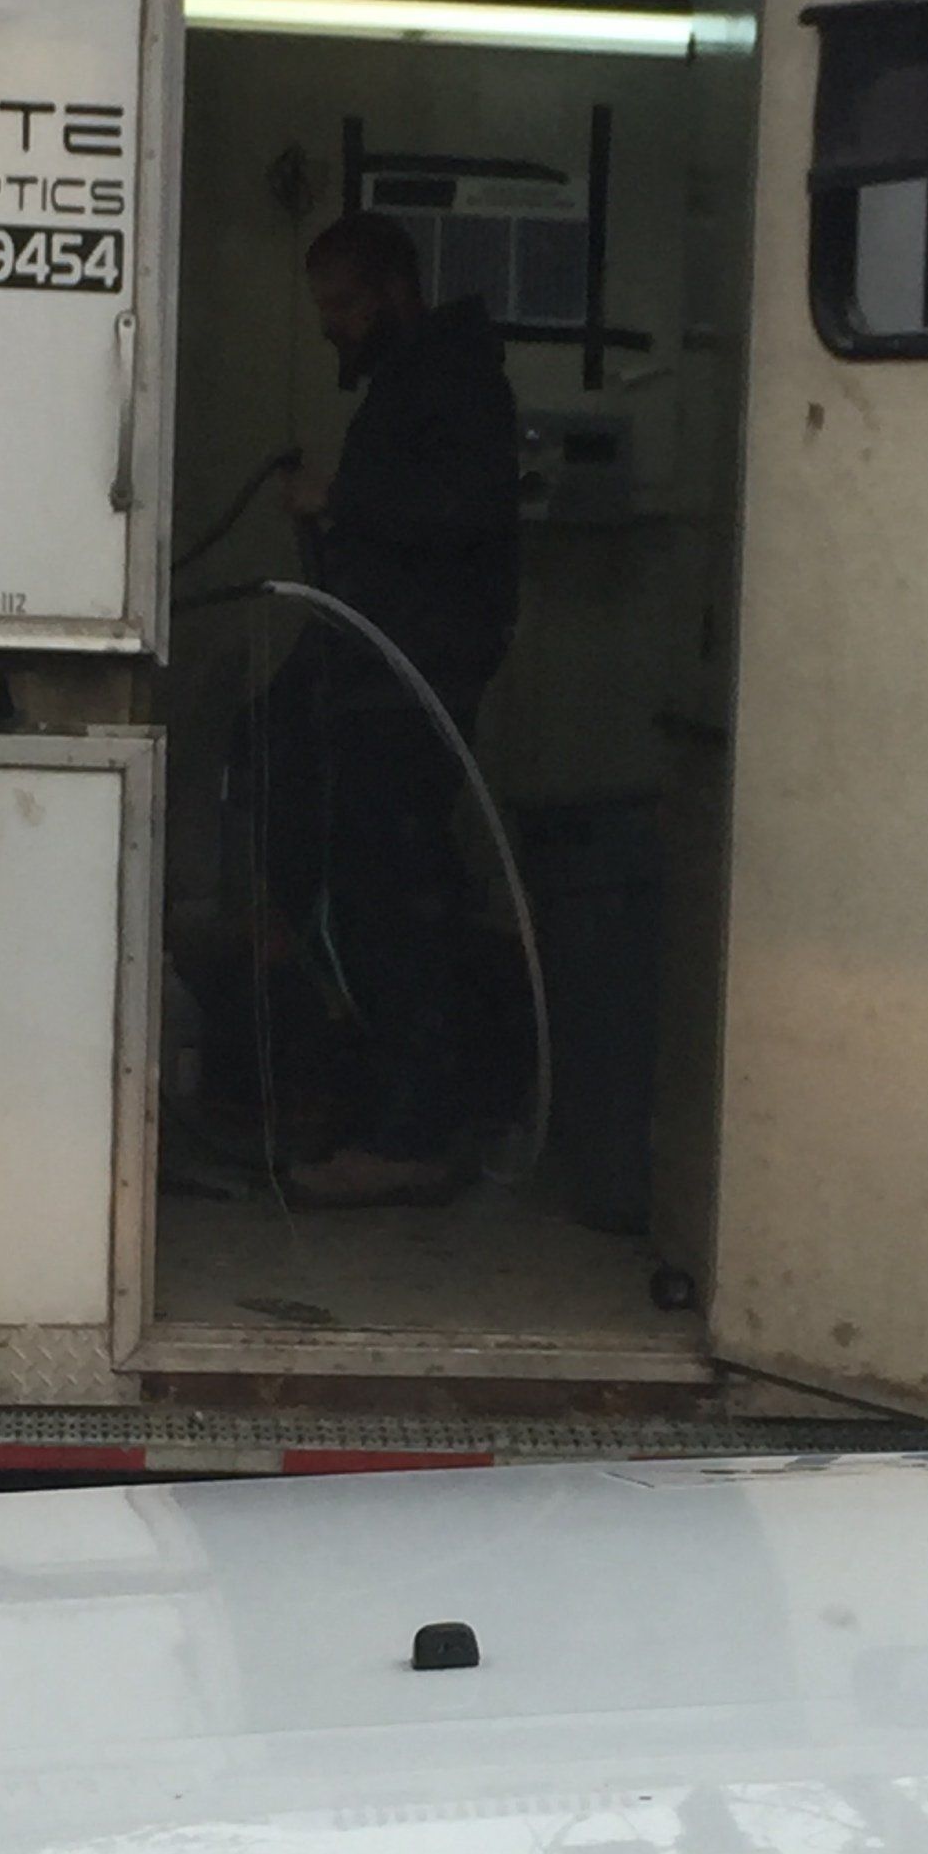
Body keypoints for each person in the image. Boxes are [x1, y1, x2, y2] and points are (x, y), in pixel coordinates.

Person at [258, 210, 520, 1209]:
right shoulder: (418, 380)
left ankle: (416, 1127)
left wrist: (338, 504)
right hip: (377, 664)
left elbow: (468, 510)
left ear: (396, 291)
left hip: (415, 676)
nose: (331, 326)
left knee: (399, 890)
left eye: (343, 304)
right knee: (369, 879)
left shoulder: (453, 379)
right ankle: (385, 1103)